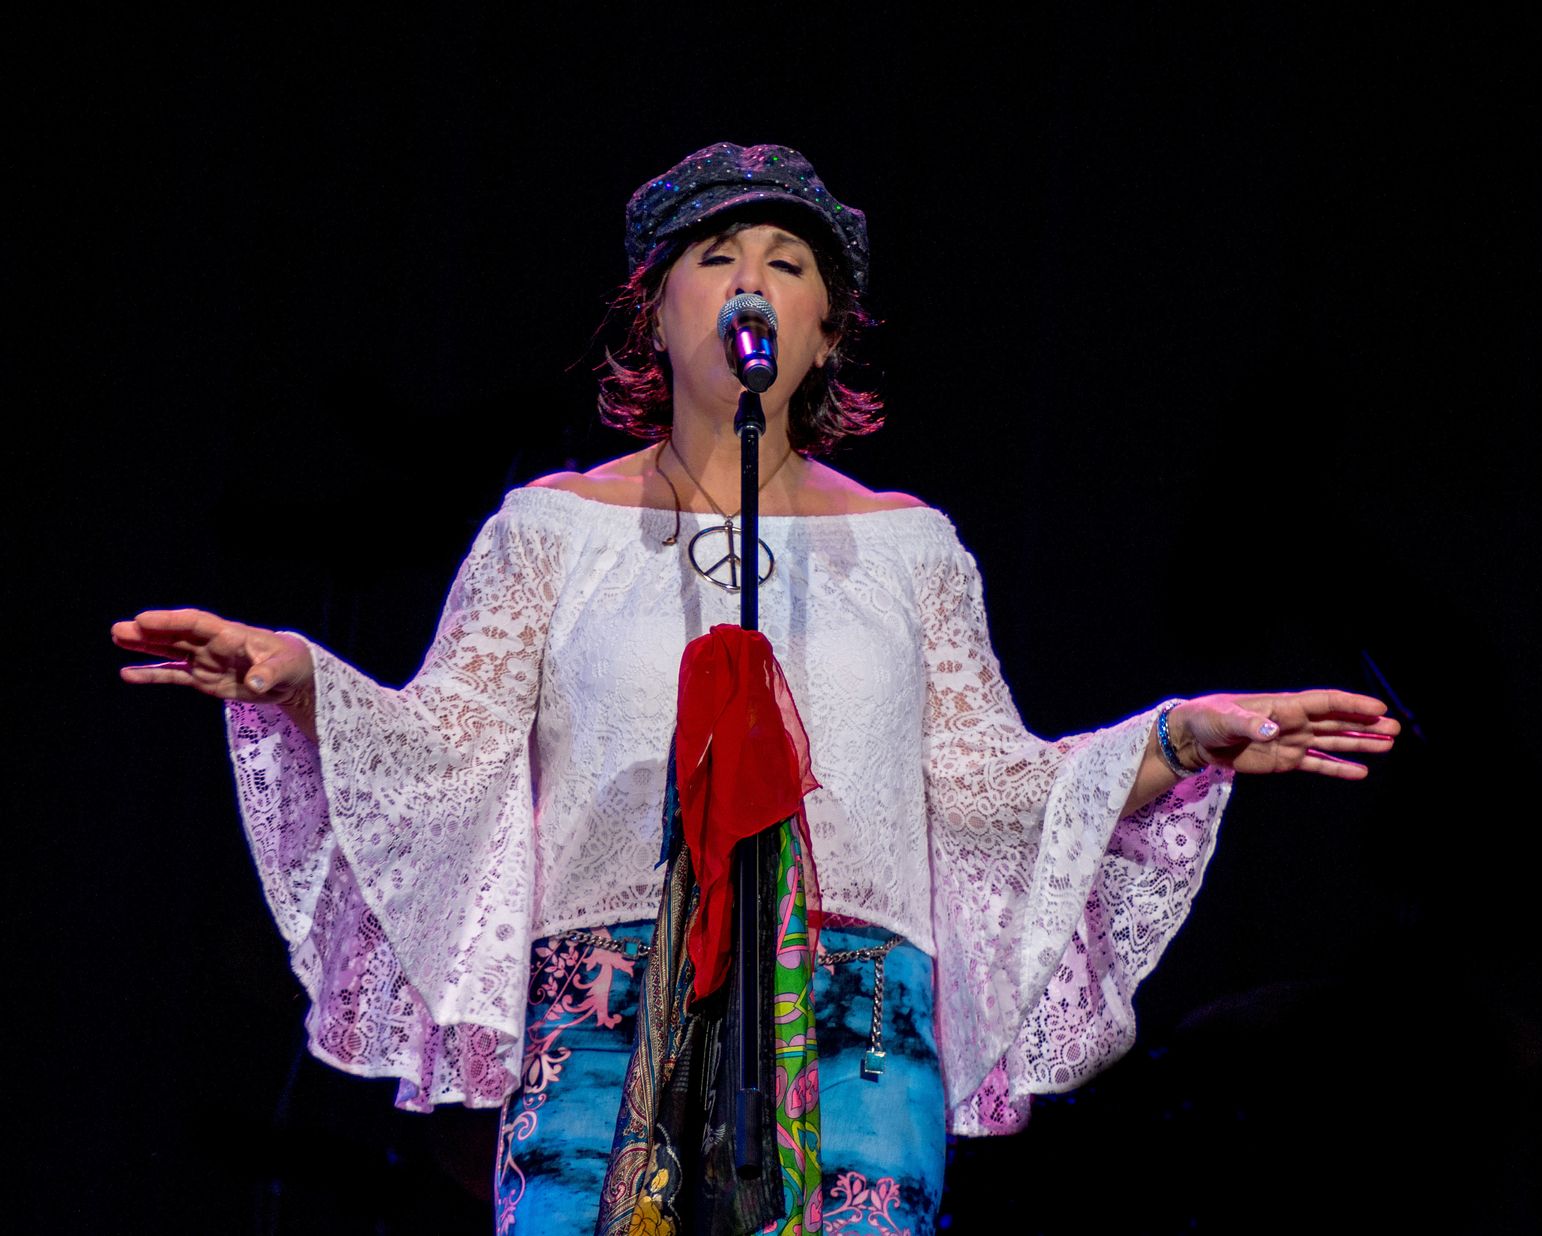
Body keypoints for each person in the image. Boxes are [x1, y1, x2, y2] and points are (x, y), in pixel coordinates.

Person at [112, 142, 1399, 1235]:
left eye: (787, 265)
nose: (751, 283)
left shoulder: (910, 549)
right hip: (606, 1003)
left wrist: (1181, 737)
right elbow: (446, 744)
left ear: (826, 331)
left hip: (857, 1011)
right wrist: (302, 682)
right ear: (653, 314)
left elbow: (991, 789)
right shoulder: (550, 531)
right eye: (717, 256)